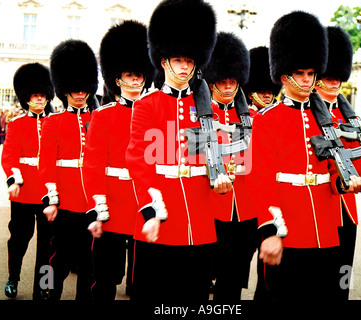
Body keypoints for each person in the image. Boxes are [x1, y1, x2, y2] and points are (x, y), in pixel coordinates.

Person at [246, 11, 361, 301]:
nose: (306, 79)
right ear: (284, 76)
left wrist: (345, 182)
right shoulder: (267, 118)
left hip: (325, 226)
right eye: (299, 73)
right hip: (288, 224)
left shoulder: (327, 118)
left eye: (310, 73)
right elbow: (259, 178)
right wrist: (271, 229)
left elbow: (334, 165)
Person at [125, 0, 233, 301]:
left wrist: (223, 181)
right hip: (161, 214)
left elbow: (219, 156)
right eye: (177, 60)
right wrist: (151, 207)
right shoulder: (147, 105)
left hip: (199, 219)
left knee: (194, 298)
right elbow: (138, 159)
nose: (184, 67)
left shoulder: (207, 108)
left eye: (189, 60)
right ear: (163, 61)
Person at [83, 20, 154, 300]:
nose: (135, 81)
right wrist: (97, 205)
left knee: (142, 283)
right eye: (130, 76)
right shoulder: (103, 115)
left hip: (142, 205)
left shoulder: (155, 113)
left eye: (139, 76)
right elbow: (93, 164)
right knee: (104, 280)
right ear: (117, 79)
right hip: (112, 203)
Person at [39, 39, 98, 300]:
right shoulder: (53, 122)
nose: (79, 92)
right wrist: (51, 199)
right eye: (73, 88)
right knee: (56, 259)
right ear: (64, 90)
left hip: (90, 204)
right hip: (63, 203)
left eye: (83, 87)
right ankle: (48, 294)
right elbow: (47, 162)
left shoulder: (98, 118)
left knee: (88, 263)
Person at [314, 26, 361, 300]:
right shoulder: (307, 113)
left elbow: (359, 160)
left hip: (346, 209)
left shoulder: (348, 116)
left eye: (338, 76)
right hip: (318, 206)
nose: (335, 81)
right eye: (328, 76)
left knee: (341, 282)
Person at [201, 31, 256, 300]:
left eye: (232, 81)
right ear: (212, 82)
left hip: (244, 209)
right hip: (210, 206)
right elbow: (194, 156)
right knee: (202, 276)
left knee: (233, 279)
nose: (227, 87)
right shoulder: (197, 114)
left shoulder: (254, 116)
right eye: (221, 81)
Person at [1, 63, 55, 300]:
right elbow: (9, 154)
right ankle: (13, 277)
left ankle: (44, 285)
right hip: (24, 191)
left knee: (49, 245)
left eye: (43, 95)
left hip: (47, 192)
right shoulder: (16, 124)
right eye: (35, 95)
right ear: (26, 98)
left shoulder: (55, 123)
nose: (40, 99)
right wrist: (13, 179)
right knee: (19, 240)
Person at [243, 46, 283, 113]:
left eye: (270, 93)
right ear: (250, 95)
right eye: (262, 92)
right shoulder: (243, 114)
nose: (267, 96)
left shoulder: (280, 114)